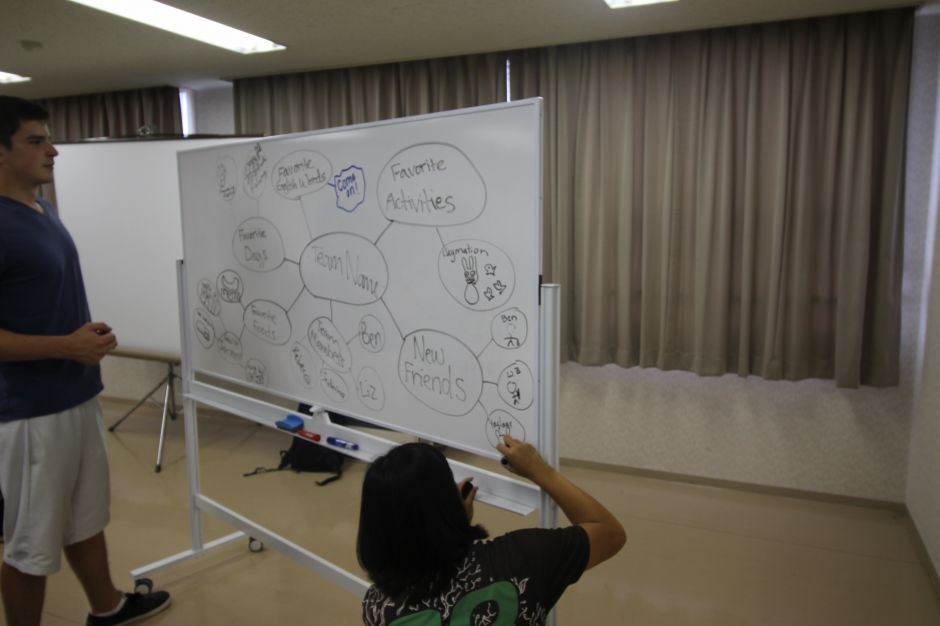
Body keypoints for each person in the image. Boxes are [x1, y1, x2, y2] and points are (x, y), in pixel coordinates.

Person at [0, 95, 171, 626]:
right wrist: (65, 346)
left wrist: (79, 342)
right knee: (30, 544)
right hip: (30, 412)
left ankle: (107, 607)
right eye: (36, 141)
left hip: (75, 393)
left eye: (49, 139)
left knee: (83, 517)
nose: (52, 151)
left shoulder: (43, 210)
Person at [357, 435, 626, 625]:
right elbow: (609, 532)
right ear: (448, 503)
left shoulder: (378, 607)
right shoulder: (522, 560)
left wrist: (450, 525)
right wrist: (540, 470)